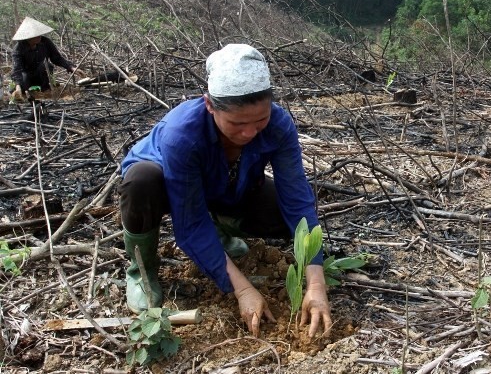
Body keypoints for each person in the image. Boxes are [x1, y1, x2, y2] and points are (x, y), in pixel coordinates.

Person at [118, 44, 332, 338]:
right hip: (170, 188)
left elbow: (297, 199)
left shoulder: (279, 125)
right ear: (209, 105)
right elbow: (189, 223)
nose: (249, 133)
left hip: (229, 186)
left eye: (260, 120)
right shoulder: (182, 133)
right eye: (237, 123)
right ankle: (141, 271)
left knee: (287, 220)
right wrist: (242, 289)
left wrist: (316, 283)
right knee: (141, 181)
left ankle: (220, 232)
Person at [10, 17, 77, 100]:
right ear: (28, 37)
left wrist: (70, 67)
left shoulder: (45, 42)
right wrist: (18, 85)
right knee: (24, 77)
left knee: (46, 66)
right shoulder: (18, 49)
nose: (39, 37)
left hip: (42, 77)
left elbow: (56, 58)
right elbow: (17, 69)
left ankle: (45, 90)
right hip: (27, 78)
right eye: (36, 35)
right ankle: (25, 92)